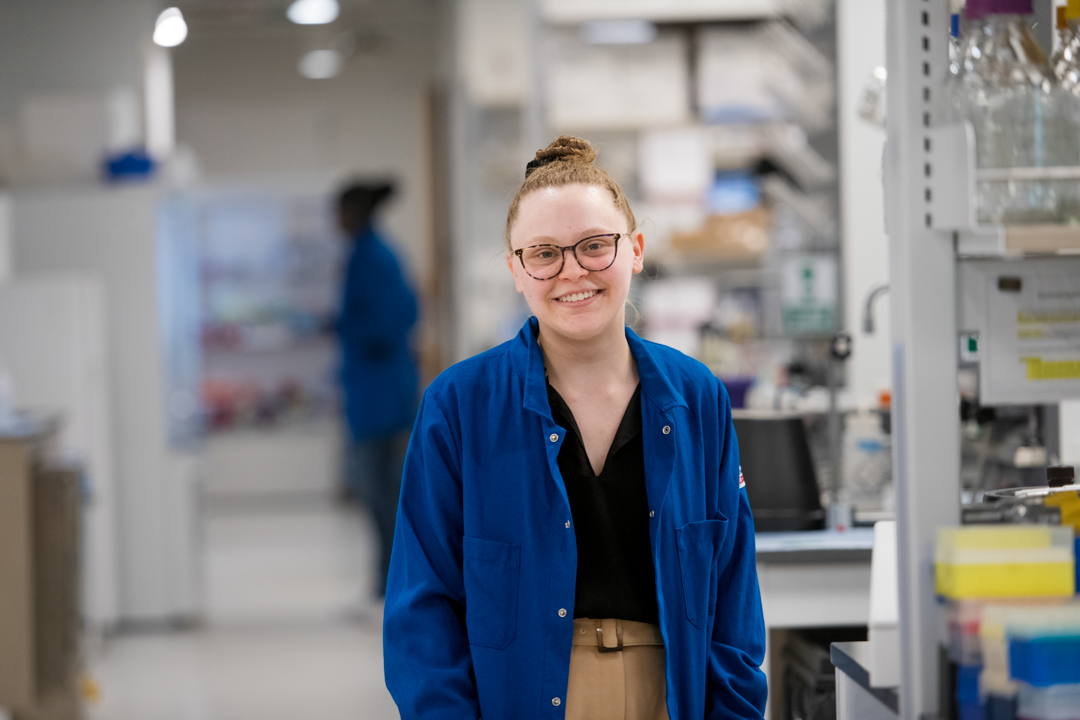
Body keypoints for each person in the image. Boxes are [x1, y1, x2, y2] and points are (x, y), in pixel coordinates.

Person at [383, 137, 767, 719]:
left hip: (668, 695)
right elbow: (422, 610)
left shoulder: (696, 398)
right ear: (516, 269)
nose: (572, 272)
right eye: (544, 254)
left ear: (635, 250)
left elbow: (733, 598)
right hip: (523, 697)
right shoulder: (459, 406)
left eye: (595, 246)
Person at [335, 181, 418, 599]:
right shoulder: (371, 254)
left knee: (381, 494)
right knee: (377, 494)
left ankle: (390, 584)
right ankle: (384, 583)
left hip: (380, 396)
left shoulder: (374, 258)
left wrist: (347, 328)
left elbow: (393, 321)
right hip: (376, 391)